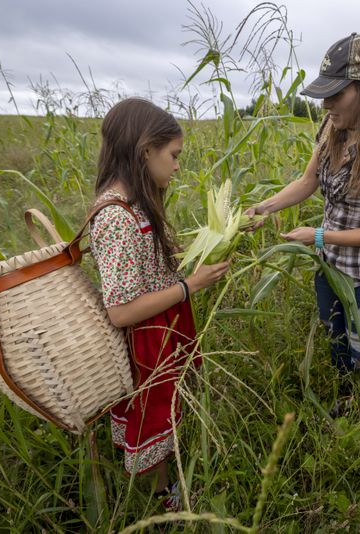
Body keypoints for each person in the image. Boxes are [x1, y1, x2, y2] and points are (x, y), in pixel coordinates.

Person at [246, 33, 360, 406]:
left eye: (335, 95)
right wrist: (265, 207)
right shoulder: (331, 131)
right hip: (330, 268)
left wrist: (319, 236)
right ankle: (343, 397)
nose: (325, 105)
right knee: (336, 343)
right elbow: (308, 181)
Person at [89, 98, 229, 509]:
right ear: (146, 149)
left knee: (164, 410)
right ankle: (163, 494)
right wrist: (190, 286)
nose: (177, 166)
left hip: (162, 325)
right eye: (174, 155)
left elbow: (148, 265)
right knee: (151, 414)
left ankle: (169, 478)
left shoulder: (137, 203)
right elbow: (120, 310)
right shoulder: (115, 217)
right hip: (145, 339)